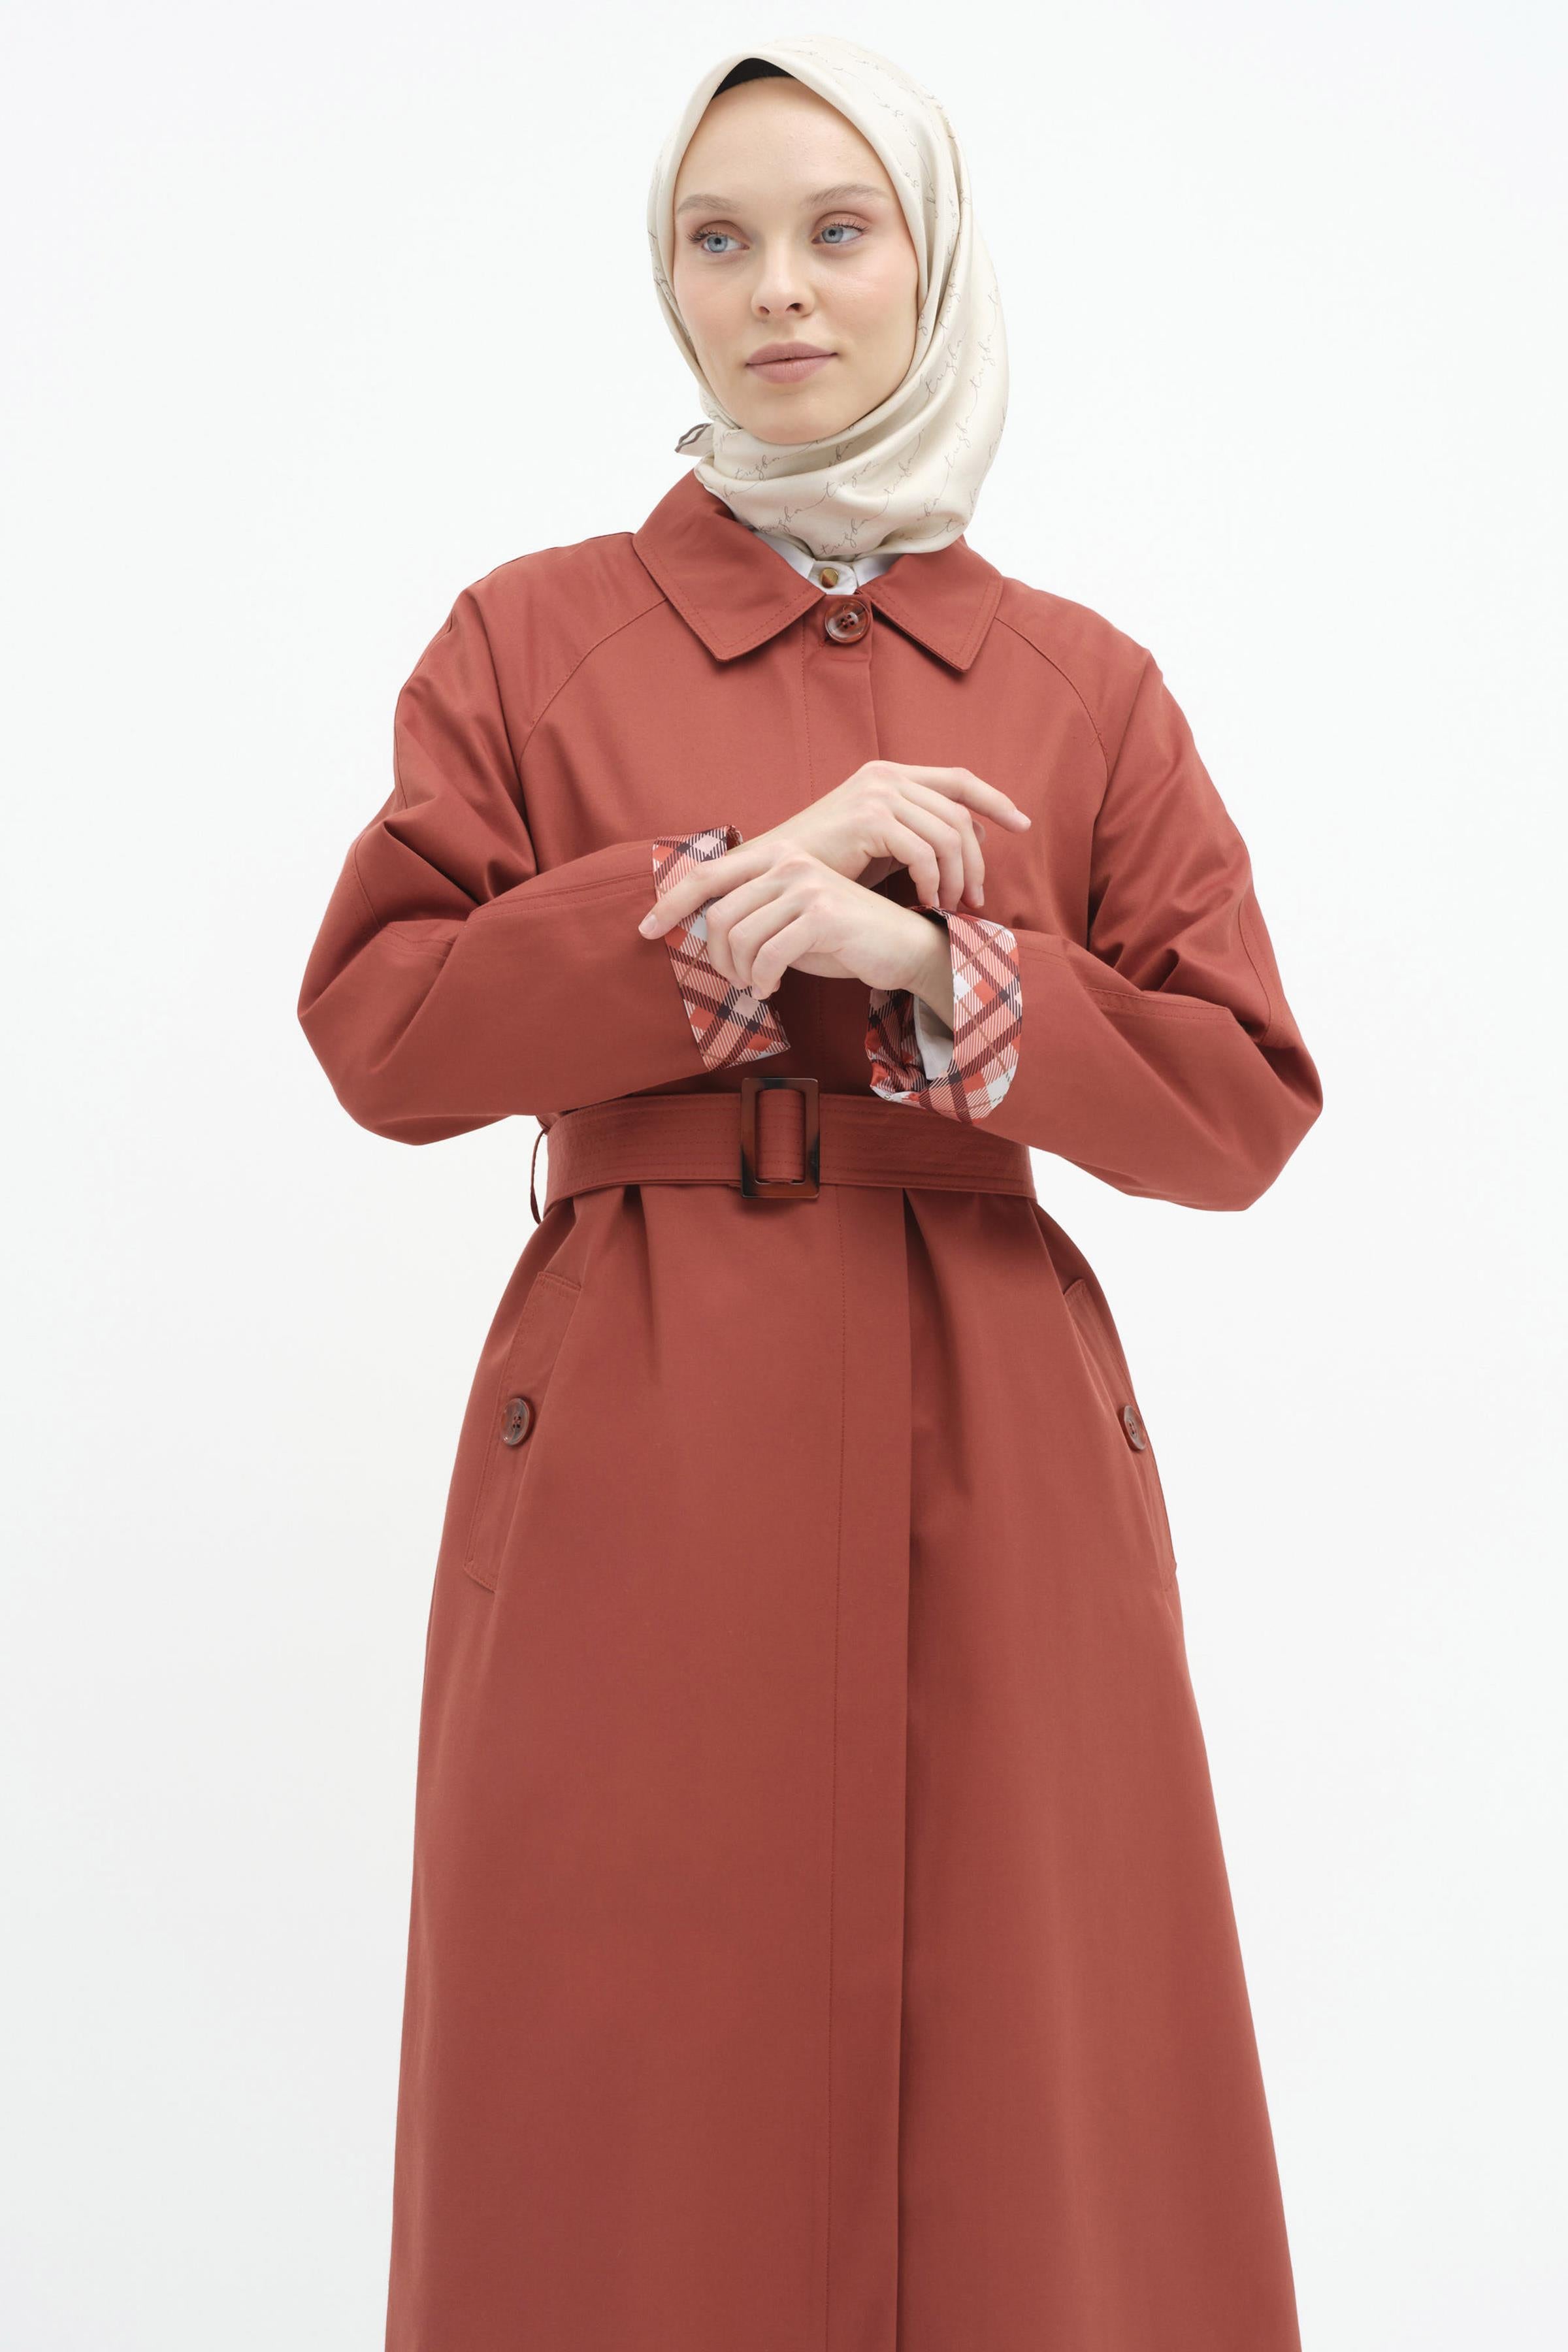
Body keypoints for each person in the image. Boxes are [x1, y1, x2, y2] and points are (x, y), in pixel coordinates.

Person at [297, 34, 1324, 2352]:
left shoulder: (1085, 688)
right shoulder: (530, 639)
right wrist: (724, 892)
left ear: (930, 261)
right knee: (615, 2046)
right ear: (664, 281)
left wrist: (946, 967)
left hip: (998, 1434)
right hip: (636, 1419)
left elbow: (1243, 1101)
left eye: (838, 231)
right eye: (720, 237)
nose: (777, 288)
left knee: (1035, 2055)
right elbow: (384, 1027)